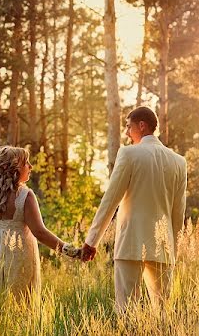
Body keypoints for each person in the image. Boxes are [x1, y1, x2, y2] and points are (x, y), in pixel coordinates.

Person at [80, 106, 188, 314]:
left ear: (142, 125)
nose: (127, 133)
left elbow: (110, 200)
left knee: (126, 310)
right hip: (162, 246)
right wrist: (172, 249)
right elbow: (178, 212)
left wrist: (91, 241)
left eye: (129, 127)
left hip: (131, 242)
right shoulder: (179, 162)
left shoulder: (128, 154)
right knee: (164, 312)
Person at [0, 145, 77, 305]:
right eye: (26, 162)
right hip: (19, 260)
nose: (30, 166)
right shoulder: (25, 196)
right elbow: (40, 232)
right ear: (15, 168)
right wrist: (70, 250)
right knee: (20, 307)